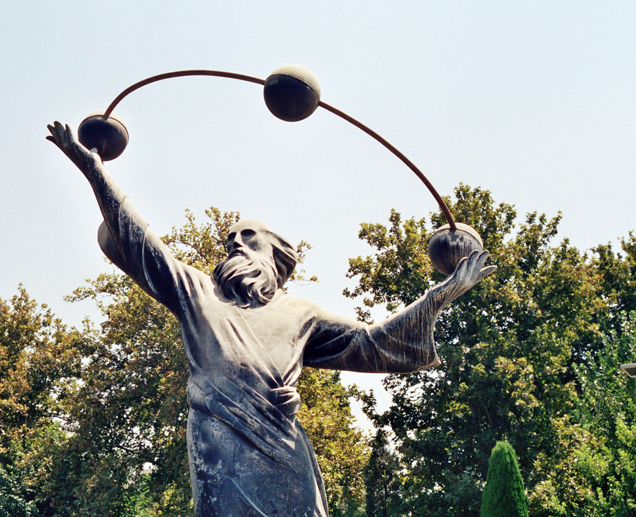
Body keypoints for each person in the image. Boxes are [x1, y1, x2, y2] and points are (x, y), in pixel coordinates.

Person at [47, 121, 496, 517]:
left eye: (249, 237)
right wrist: (94, 170)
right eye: (230, 240)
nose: (236, 244)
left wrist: (441, 294)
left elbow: (374, 344)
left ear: (277, 256)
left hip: (285, 452)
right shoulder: (198, 293)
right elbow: (140, 241)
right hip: (221, 448)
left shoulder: (303, 314)